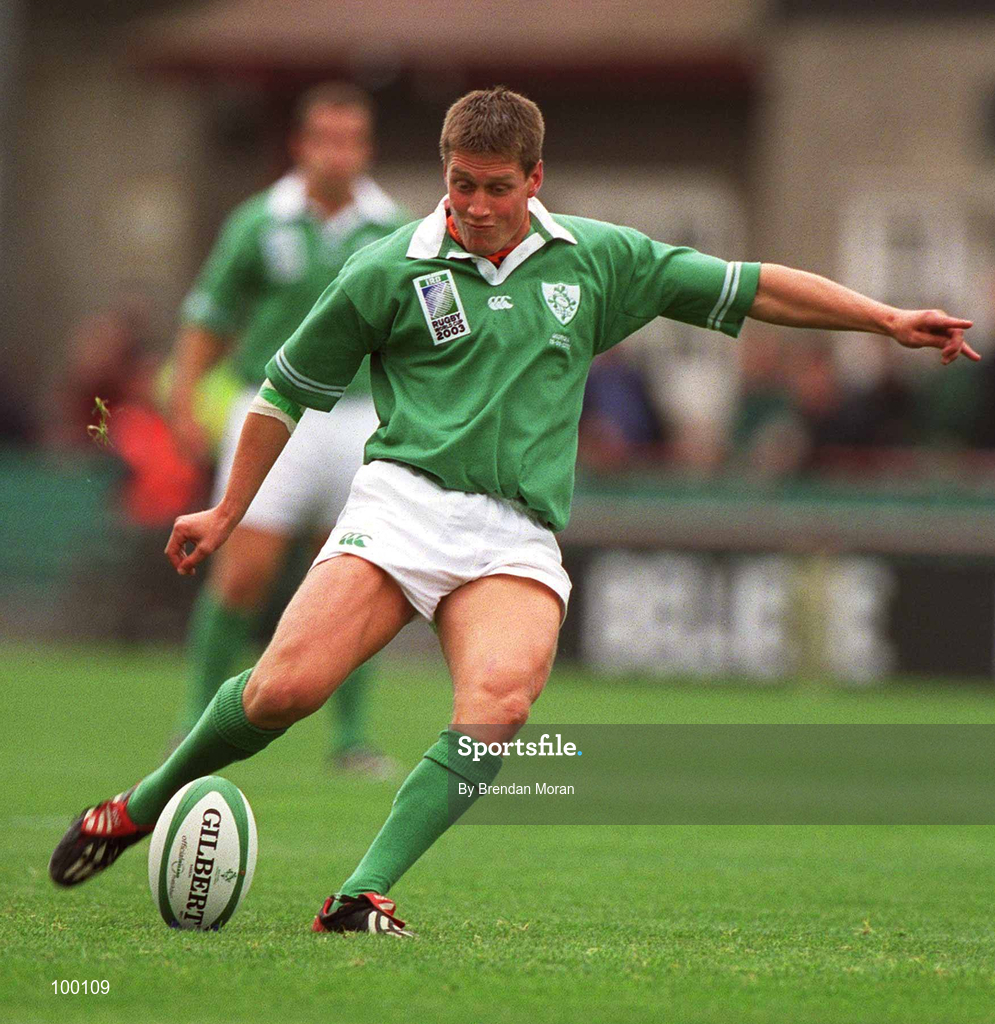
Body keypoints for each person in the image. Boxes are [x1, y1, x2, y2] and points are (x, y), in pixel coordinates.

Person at [49, 87, 978, 936]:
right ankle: (140, 803)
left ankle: (358, 896)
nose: (476, 204)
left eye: (497, 187)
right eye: (460, 184)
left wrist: (885, 319)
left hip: (514, 534)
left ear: (535, 180)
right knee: (283, 692)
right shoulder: (390, 266)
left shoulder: (601, 259)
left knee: (496, 709)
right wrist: (226, 509)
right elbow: (284, 391)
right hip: (401, 506)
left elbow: (747, 284)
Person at [167, 82, 408, 772]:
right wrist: (183, 401)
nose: (337, 153)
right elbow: (208, 318)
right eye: (324, 138)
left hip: (362, 415)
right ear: (301, 145)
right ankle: (193, 721)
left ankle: (350, 738)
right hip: (271, 411)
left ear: (365, 148)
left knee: (355, 581)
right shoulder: (258, 223)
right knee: (243, 574)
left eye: (351, 139)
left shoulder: (392, 228)